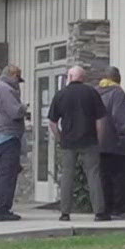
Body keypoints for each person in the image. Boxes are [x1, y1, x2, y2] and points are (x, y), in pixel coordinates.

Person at [48, 65, 110, 222]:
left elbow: (53, 123)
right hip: (89, 140)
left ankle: (65, 213)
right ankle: (99, 212)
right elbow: (101, 120)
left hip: (68, 141)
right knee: (93, 175)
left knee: (67, 176)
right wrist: (99, 139)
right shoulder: (91, 93)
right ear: (84, 78)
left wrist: (60, 137)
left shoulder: (61, 95)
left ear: (69, 77)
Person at [96, 67, 125, 219]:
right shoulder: (117, 92)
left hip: (99, 142)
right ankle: (122, 210)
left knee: (104, 178)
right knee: (121, 178)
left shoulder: (96, 92)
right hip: (117, 142)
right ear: (118, 78)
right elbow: (121, 117)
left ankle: (106, 208)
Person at [0, 64, 26, 221]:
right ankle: (3, 209)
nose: (18, 83)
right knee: (7, 175)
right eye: (18, 78)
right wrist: (23, 108)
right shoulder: (6, 89)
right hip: (7, 137)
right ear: (13, 75)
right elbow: (15, 112)